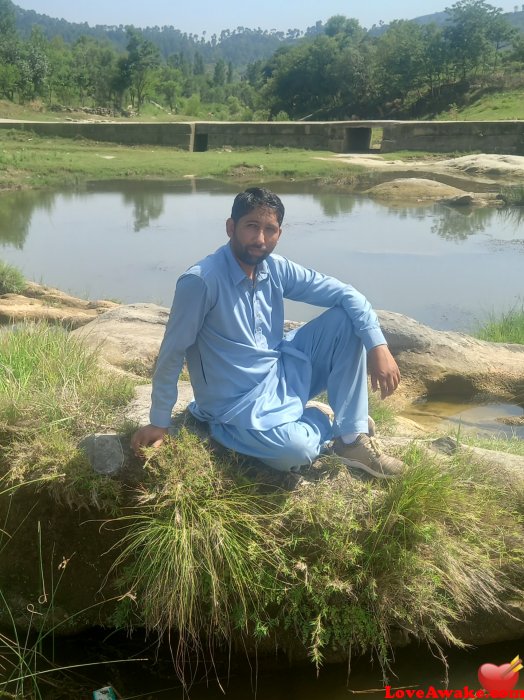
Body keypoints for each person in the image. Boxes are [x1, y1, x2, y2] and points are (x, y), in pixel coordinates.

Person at [131, 187, 403, 478]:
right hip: (234, 404)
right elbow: (172, 352)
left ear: (279, 234)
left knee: (347, 321)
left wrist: (378, 346)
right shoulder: (201, 282)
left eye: (269, 229)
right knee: (295, 452)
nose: (260, 239)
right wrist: (159, 421)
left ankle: (350, 440)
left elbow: (349, 295)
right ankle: (323, 420)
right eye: (251, 226)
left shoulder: (275, 268)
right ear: (230, 227)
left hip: (280, 375)